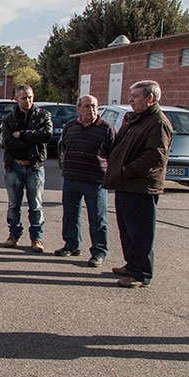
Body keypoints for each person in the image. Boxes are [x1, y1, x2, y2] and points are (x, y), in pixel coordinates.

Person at [103, 80, 172, 288]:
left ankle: (140, 274)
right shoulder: (137, 119)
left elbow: (154, 156)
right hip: (125, 185)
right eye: (130, 96)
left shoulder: (157, 122)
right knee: (127, 229)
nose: (130, 100)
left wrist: (126, 171)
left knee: (140, 232)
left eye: (135, 96)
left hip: (140, 187)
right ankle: (132, 265)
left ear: (150, 98)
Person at [55, 94, 116, 267]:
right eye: (87, 106)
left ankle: (99, 252)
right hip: (71, 178)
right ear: (78, 109)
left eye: (94, 106)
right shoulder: (70, 126)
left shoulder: (106, 128)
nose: (91, 110)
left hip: (95, 181)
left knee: (97, 218)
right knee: (70, 215)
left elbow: (114, 154)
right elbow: (65, 147)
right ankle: (72, 245)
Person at [0, 85, 52, 252]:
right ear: (16, 99)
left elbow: (46, 135)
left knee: (35, 205)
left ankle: (36, 237)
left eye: (30, 97)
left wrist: (22, 134)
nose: (28, 100)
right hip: (14, 166)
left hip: (35, 167)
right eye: (23, 98)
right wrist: (32, 138)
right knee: (14, 204)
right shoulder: (9, 118)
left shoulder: (43, 115)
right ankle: (14, 235)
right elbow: (8, 142)